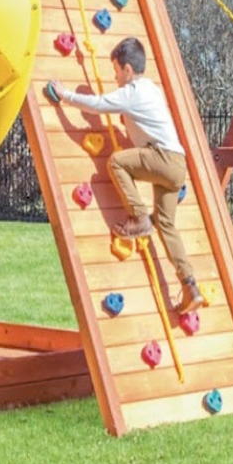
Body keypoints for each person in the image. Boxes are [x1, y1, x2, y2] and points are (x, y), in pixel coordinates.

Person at [46, 38, 203, 316]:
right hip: (178, 163)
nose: (114, 75)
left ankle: (140, 217)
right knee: (167, 226)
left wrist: (65, 94)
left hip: (163, 158)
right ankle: (190, 285)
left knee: (117, 162)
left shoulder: (131, 92)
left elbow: (97, 104)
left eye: (116, 70)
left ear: (128, 69)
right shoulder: (150, 89)